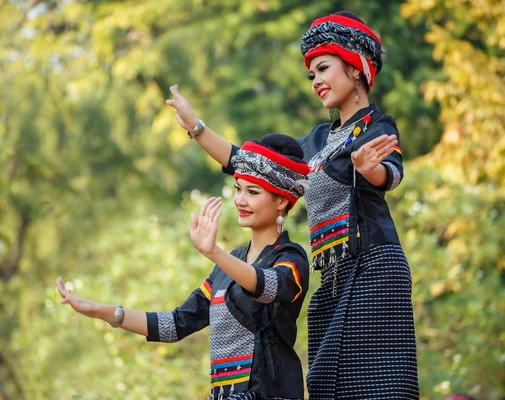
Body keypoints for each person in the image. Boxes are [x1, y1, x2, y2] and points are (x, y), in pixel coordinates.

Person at [165, 10, 419, 399]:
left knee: (375, 389)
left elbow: (391, 173)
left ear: (354, 68)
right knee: (324, 387)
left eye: (323, 68)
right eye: (311, 74)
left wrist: (371, 171)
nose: (315, 80)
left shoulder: (376, 126)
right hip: (330, 279)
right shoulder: (314, 141)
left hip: (374, 269)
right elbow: (250, 165)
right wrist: (196, 127)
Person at [56, 134, 311, 400]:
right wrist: (98, 310)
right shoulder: (228, 265)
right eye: (238, 189)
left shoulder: (292, 259)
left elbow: (267, 286)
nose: (240, 200)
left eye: (252, 192)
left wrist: (213, 252)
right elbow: (174, 325)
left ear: (282, 201)